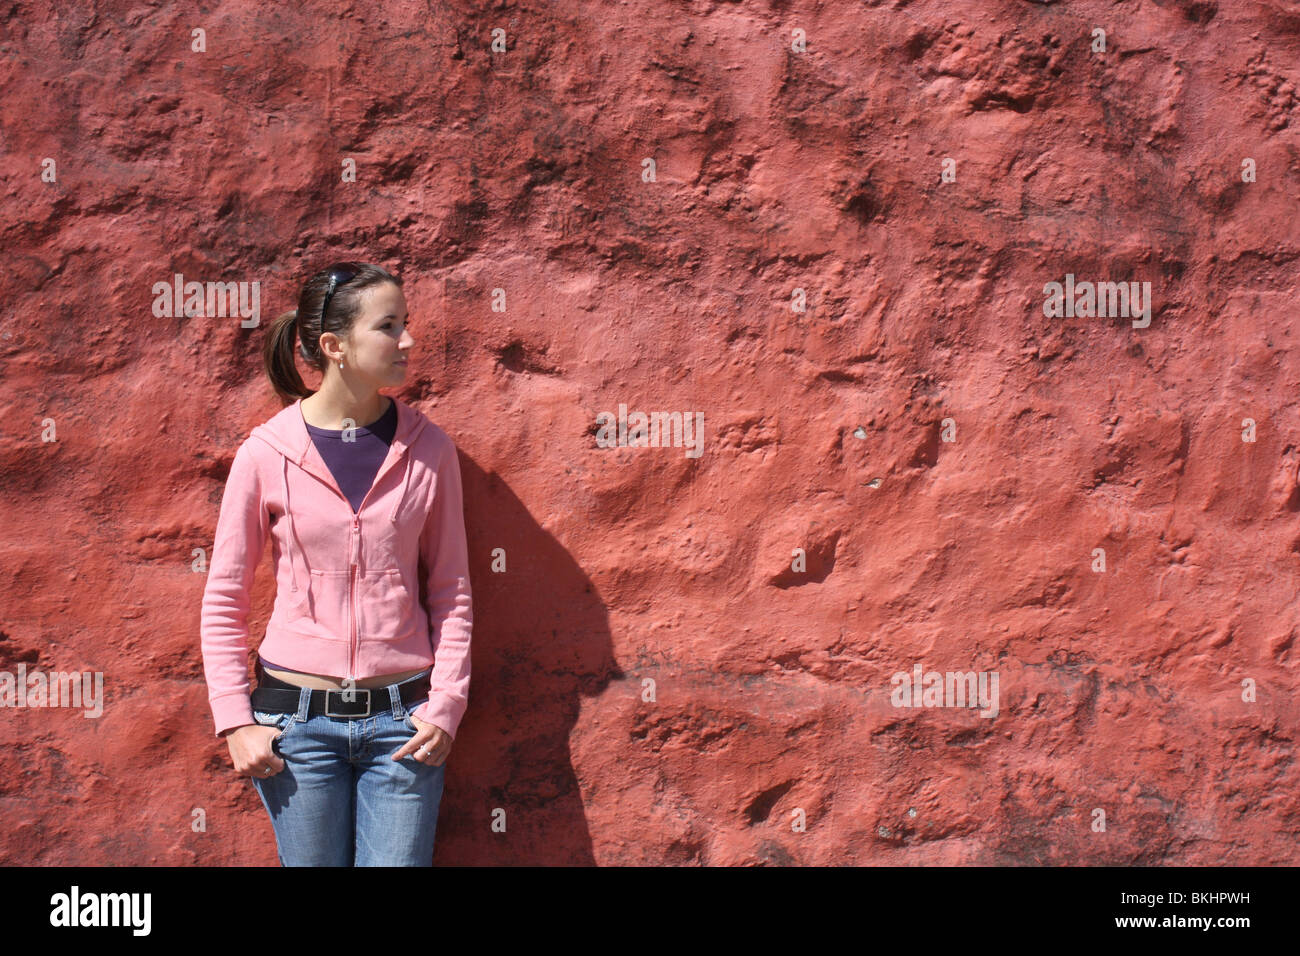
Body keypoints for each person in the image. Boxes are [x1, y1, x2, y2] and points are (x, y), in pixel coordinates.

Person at [199, 261, 473, 866]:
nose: (407, 340)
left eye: (407, 323)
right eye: (388, 326)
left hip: (405, 724)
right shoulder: (266, 453)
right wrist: (234, 721)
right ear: (334, 346)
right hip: (295, 726)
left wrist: (446, 704)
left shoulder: (429, 449)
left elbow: (451, 588)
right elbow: (225, 596)